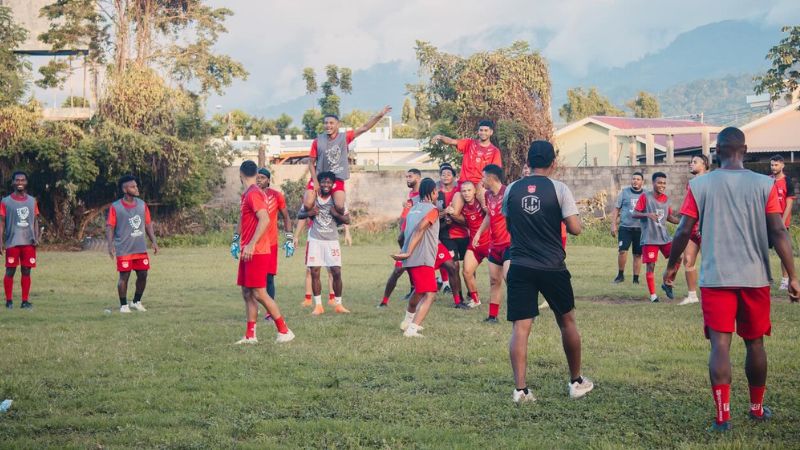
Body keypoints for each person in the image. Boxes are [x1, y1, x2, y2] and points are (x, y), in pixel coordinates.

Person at [663, 127, 799, 432]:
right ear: (745, 149)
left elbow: (684, 230)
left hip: (715, 278)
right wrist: (793, 276)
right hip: (755, 278)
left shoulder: (701, 185)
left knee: (720, 345)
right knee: (755, 344)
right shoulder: (764, 185)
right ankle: (756, 408)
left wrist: (671, 267)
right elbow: (779, 231)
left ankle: (723, 417)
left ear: (717, 152)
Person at [504, 140, 594, 403]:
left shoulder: (511, 189)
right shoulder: (560, 188)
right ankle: (576, 382)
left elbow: (510, 223)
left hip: (520, 265)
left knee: (520, 328)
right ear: (554, 163)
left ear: (528, 163)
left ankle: (520, 390)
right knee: (567, 322)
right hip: (553, 266)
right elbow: (575, 228)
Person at [235, 160, 294, 344]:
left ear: (240, 174)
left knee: (260, 292)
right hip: (248, 250)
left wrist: (252, 244)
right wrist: (240, 242)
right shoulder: (247, 194)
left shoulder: (253, 194)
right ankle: (250, 335)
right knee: (247, 292)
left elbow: (265, 219)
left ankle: (284, 331)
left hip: (257, 251)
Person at [303, 107, 392, 215]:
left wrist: (380, 115)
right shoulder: (317, 141)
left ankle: (338, 218)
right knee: (307, 205)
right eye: (326, 123)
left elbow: (364, 128)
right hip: (319, 178)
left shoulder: (344, 137)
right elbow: (311, 163)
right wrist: (315, 181)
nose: (328, 125)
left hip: (336, 178)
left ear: (338, 124)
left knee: (340, 206)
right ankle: (313, 219)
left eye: (331, 123)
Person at [393, 178, 443, 337]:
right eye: (436, 191)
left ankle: (407, 321)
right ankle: (412, 329)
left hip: (411, 259)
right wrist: (408, 252)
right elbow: (420, 230)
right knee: (430, 294)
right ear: (433, 192)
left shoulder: (413, 210)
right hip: (422, 257)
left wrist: (405, 252)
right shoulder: (433, 210)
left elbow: (401, 236)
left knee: (419, 291)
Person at [300, 171, 351, 315]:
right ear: (318, 183)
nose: (326, 185)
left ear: (333, 184)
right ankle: (318, 306)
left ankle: (339, 304)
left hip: (332, 241)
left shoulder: (337, 200)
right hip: (315, 240)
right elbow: (300, 215)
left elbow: (348, 220)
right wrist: (309, 214)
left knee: (336, 272)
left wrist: (336, 214)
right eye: (323, 182)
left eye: (329, 182)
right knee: (315, 272)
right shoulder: (312, 199)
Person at [105, 175, 158, 313]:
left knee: (143, 275)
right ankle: (123, 305)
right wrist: (110, 245)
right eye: (132, 186)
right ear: (124, 189)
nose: (136, 188)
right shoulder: (115, 207)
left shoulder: (142, 204)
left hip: (140, 248)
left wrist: (154, 241)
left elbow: (147, 224)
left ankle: (136, 301)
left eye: (136, 186)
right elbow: (110, 227)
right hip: (124, 249)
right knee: (124, 277)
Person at [631, 172, 680, 302]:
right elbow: (634, 214)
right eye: (659, 182)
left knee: (678, 258)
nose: (662, 185)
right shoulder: (645, 197)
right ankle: (653, 296)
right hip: (650, 238)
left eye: (664, 183)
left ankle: (668, 282)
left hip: (664, 237)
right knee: (651, 266)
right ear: (653, 183)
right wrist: (648, 215)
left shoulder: (666, 199)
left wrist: (682, 222)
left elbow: (668, 217)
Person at [432, 120, 502, 208]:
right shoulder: (469, 143)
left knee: (485, 207)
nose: (483, 132)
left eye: (486, 130)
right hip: (463, 184)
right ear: (478, 131)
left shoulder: (495, 151)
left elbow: (495, 172)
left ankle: (487, 218)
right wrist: (440, 137)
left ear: (491, 132)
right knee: (454, 211)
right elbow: (452, 141)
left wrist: (483, 184)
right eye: (481, 130)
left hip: (480, 185)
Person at [472, 164, 510, 323]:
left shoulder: (508, 192)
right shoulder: (488, 195)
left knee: (511, 279)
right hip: (494, 245)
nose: (481, 180)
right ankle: (493, 316)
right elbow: (489, 216)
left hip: (510, 243)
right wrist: (479, 233)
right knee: (494, 281)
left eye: (483, 177)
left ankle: (525, 313)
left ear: (491, 177)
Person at [378, 169, 421, 307]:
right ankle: (384, 302)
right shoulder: (411, 194)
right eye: (406, 176)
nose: (407, 179)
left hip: (416, 240)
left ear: (419, 178)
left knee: (449, 266)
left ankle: (459, 299)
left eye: (410, 176)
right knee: (399, 270)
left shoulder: (422, 195)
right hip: (406, 241)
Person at [0, 171, 40, 309]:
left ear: (26, 182)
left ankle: (24, 301)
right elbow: (2, 223)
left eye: (23, 180)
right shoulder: (5, 201)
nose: (20, 182)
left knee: (26, 271)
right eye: (17, 180)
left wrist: (36, 237)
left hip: (28, 242)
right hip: (12, 242)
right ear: (13, 182)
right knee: (10, 271)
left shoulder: (32, 201)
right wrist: (0, 242)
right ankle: (9, 301)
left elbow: (35, 221)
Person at [450, 180, 490, 308]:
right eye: (464, 191)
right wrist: (449, 212)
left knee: (503, 276)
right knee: (466, 272)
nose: (466, 193)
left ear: (474, 192)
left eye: (469, 190)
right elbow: (458, 218)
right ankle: (475, 300)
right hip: (474, 245)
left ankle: (517, 300)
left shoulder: (482, 203)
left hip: (490, 244)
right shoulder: (463, 208)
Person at [678, 156, 710, 305]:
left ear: (704, 164)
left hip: (707, 228)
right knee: (688, 261)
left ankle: (712, 295)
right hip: (692, 228)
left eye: (695, 162)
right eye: (690, 162)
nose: (691, 164)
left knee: (710, 262)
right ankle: (692, 296)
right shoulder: (691, 183)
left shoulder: (711, 181)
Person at [437, 163, 469, 308]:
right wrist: (445, 215)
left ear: (455, 177)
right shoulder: (436, 193)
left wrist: (455, 216)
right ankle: (458, 299)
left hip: (463, 233)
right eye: (443, 174)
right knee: (454, 266)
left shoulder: (460, 191)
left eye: (449, 174)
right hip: (446, 235)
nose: (445, 176)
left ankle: (471, 293)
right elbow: (433, 214)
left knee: (468, 267)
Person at [611, 172, 644, 284]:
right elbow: (616, 209)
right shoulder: (624, 192)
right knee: (622, 251)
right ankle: (620, 275)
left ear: (642, 182)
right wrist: (613, 224)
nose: (635, 181)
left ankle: (636, 279)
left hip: (640, 229)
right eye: (633, 179)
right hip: (625, 228)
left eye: (638, 179)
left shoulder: (646, 194)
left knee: (638, 254)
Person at [769, 155, 795, 290]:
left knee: (783, 252)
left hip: (781, 224)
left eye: (776, 165)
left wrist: (782, 223)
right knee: (761, 251)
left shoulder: (788, 182)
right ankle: (767, 278)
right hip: (768, 223)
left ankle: (785, 280)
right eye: (772, 165)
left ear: (782, 165)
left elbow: (789, 204)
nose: (773, 167)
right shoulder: (767, 181)